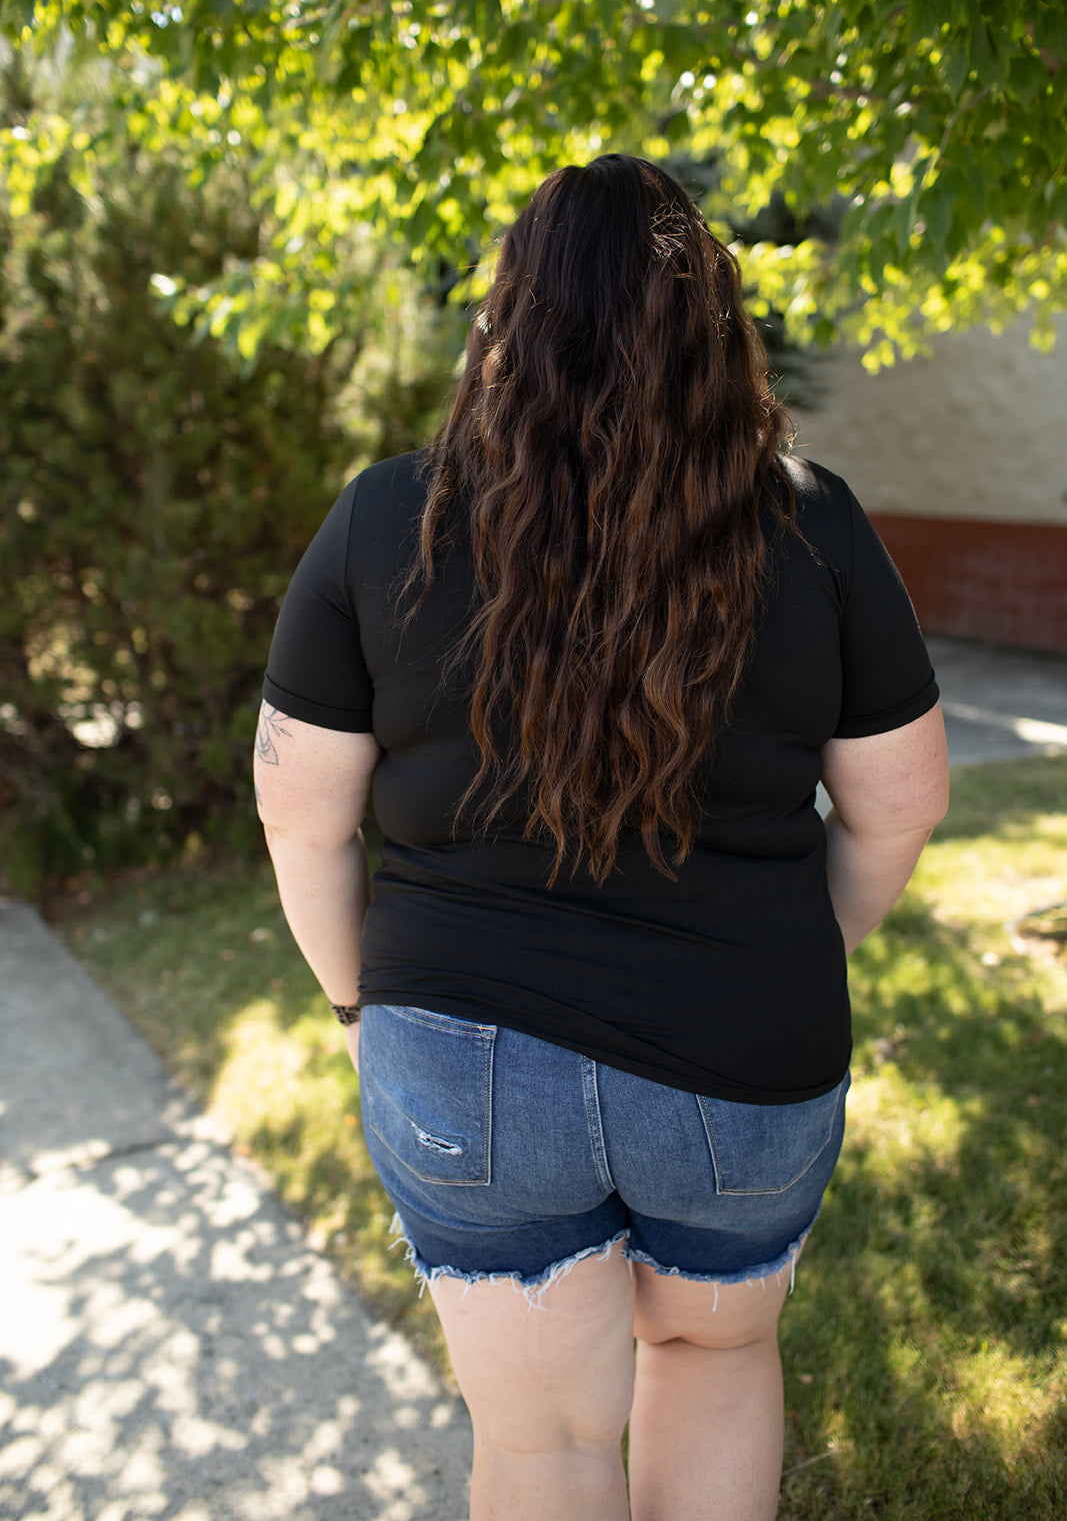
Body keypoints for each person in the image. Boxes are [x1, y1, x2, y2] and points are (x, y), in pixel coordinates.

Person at [254, 154, 949, 1521]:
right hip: (747, 1042)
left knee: (542, 1446)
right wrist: (794, 951)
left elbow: (299, 813)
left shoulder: (387, 515)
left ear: (507, 316)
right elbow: (904, 802)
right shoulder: (811, 520)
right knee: (714, 1355)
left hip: (460, 1057)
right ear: (714, 325)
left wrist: (354, 1004)